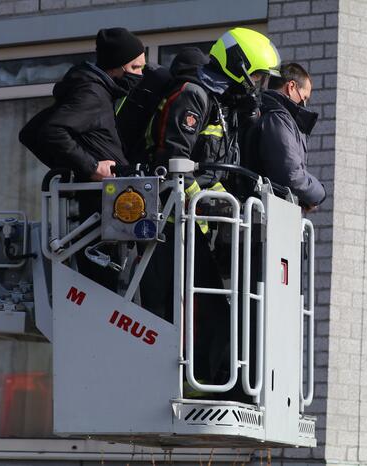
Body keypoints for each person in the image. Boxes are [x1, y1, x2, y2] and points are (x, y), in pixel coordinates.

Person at [139, 28, 280, 384]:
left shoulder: (223, 104)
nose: (259, 84)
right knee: (188, 310)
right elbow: (173, 163)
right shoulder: (194, 96)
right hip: (167, 220)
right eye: (258, 75)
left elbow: (218, 167)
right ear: (239, 65)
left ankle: (211, 379)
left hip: (195, 223)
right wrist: (219, 205)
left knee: (215, 309)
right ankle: (194, 382)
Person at [19, 27, 146, 289]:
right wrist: (90, 168)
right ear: (116, 67)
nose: (140, 75)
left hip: (99, 217)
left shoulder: (95, 90)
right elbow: (49, 132)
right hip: (100, 218)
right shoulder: (92, 94)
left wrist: (71, 169)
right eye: (136, 67)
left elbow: (31, 133)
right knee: (111, 301)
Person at [244, 62, 326, 211]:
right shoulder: (278, 118)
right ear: (291, 87)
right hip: (266, 214)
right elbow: (291, 175)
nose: (304, 103)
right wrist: (319, 193)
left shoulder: (273, 115)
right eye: (305, 97)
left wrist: (302, 198)